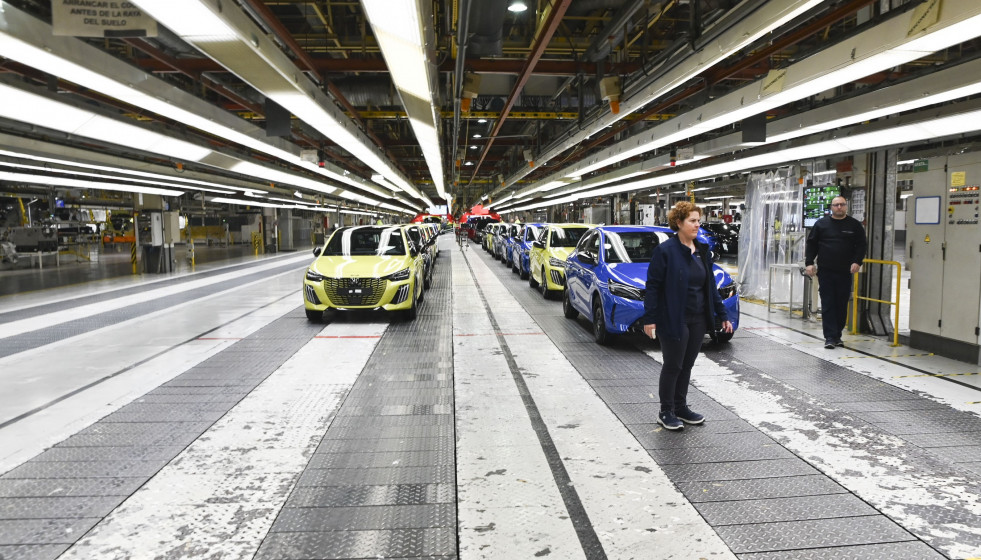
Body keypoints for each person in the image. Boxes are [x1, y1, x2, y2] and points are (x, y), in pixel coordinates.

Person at [642, 201, 733, 431]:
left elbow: (710, 285)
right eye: (692, 221)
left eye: (698, 221)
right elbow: (652, 286)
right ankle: (666, 411)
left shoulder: (701, 250)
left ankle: (680, 407)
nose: (697, 225)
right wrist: (650, 318)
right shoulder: (665, 251)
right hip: (673, 317)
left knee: (688, 365)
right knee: (673, 364)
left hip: (698, 318)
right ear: (679, 223)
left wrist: (722, 314)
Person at [804, 195, 867, 349]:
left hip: (845, 272)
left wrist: (857, 261)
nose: (839, 207)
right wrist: (809, 263)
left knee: (841, 304)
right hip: (826, 271)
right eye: (836, 205)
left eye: (842, 205)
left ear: (846, 206)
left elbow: (861, 245)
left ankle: (837, 335)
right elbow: (811, 245)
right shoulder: (821, 224)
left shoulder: (854, 225)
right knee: (828, 304)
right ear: (831, 207)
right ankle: (830, 337)